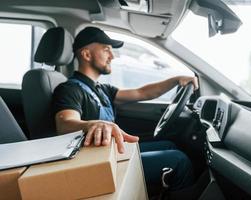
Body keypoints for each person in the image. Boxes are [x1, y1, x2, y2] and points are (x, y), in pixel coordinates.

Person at [52, 26, 198, 194]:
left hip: (113, 150)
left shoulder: (102, 89)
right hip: (96, 160)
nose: (112, 56)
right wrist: (94, 124)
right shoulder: (69, 89)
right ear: (86, 54)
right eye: (106, 50)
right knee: (179, 160)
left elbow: (142, 92)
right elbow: (64, 123)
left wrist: (176, 80)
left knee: (170, 145)